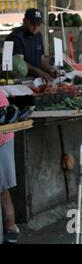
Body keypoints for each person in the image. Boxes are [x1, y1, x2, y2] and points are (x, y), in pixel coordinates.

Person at [5, 8, 55, 81]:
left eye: (38, 24)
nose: (36, 27)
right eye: (32, 24)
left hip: (36, 79)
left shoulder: (38, 35)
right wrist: (38, 71)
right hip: (20, 81)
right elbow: (19, 64)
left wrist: (50, 70)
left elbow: (41, 60)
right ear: (24, 21)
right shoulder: (15, 37)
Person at [0, 89, 19, 244]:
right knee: (3, 189)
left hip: (2, 137)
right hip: (5, 133)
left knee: (2, 189)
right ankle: (10, 229)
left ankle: (10, 228)